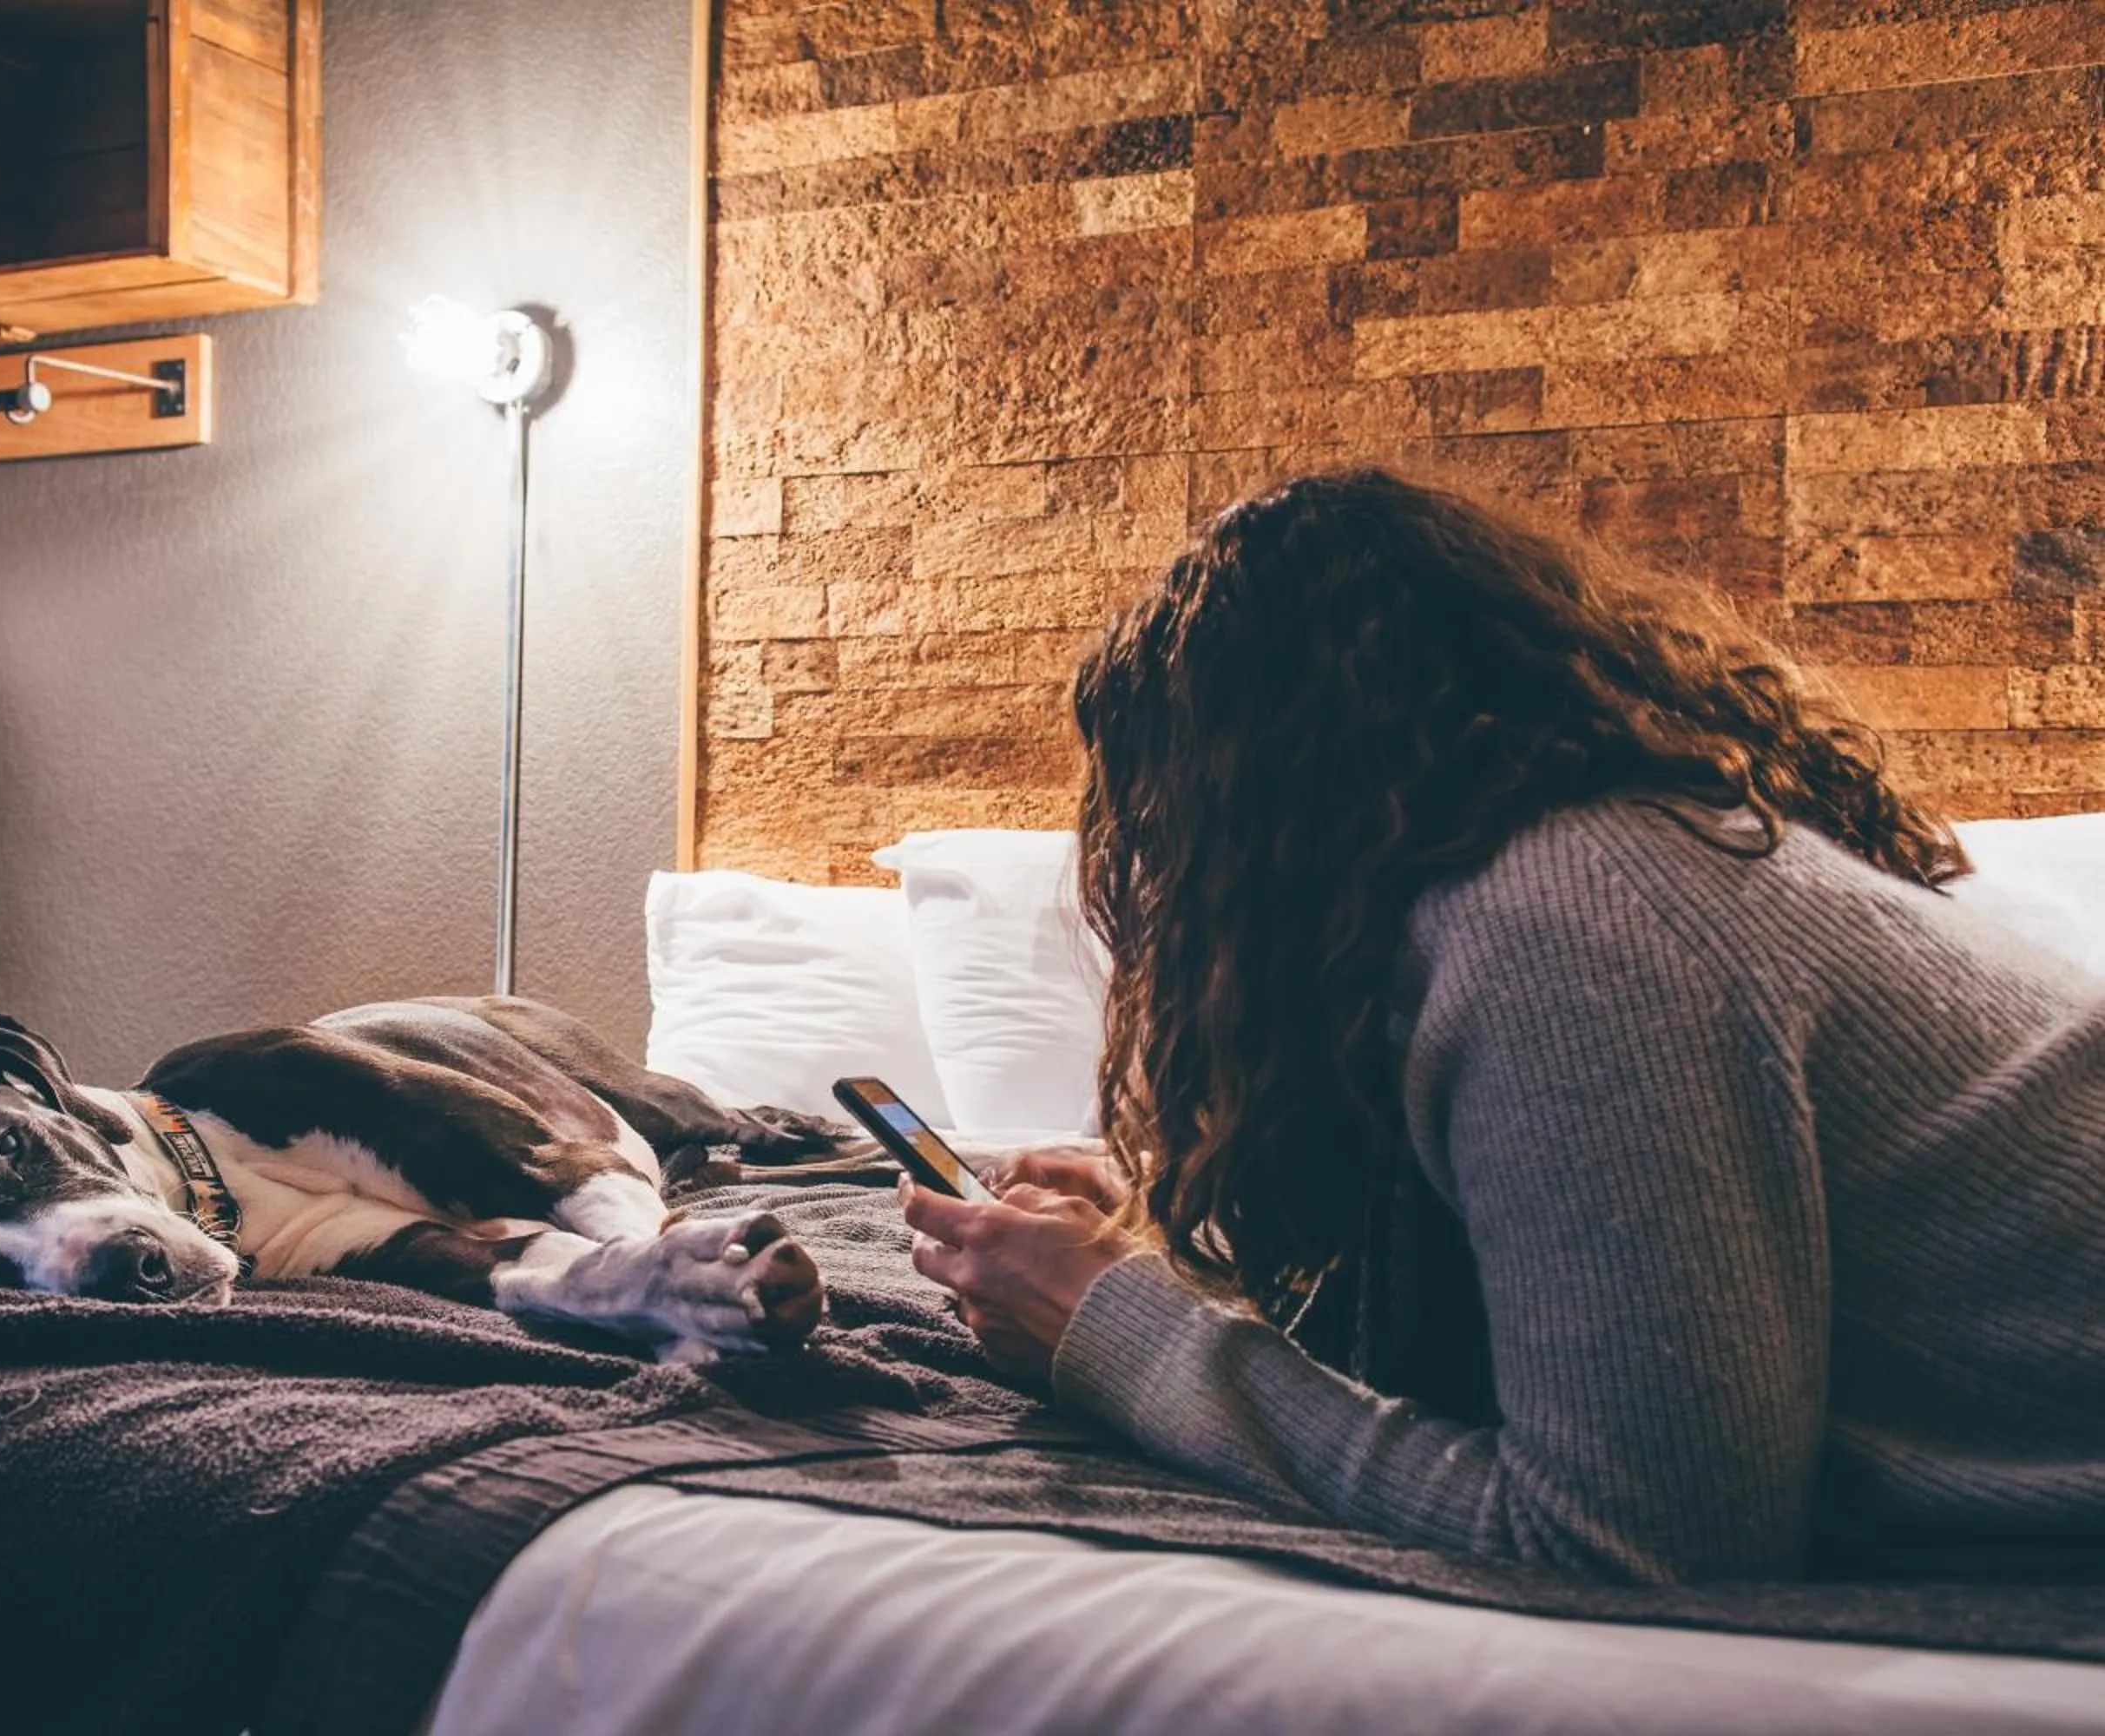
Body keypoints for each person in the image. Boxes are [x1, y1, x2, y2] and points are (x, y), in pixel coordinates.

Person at [900, 468, 2105, 1586]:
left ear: (1258, 814)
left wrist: (1115, 1328)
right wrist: (1183, 1215)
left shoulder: (1576, 922)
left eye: (1172, 831)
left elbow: (1637, 1538)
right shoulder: (1612, 857)